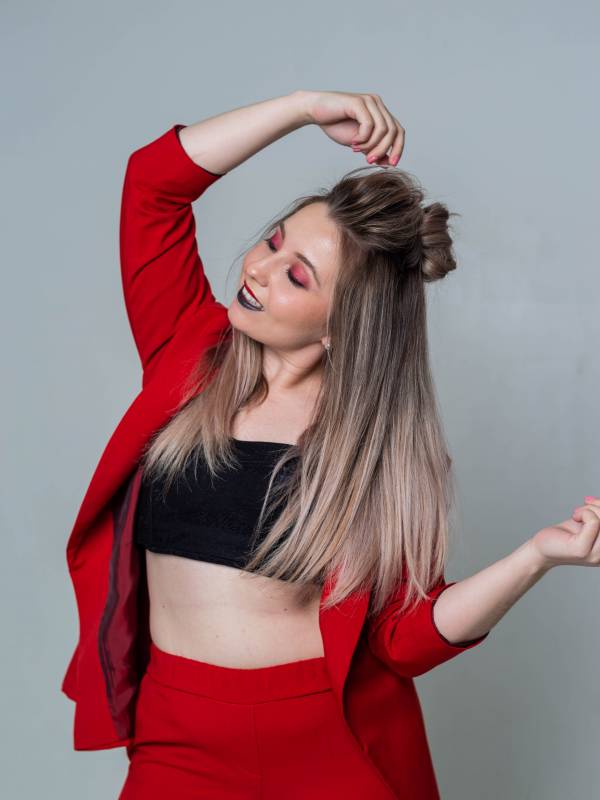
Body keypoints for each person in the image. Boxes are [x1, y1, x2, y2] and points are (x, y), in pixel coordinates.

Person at [61, 89, 600, 800]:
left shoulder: (380, 451)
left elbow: (402, 639)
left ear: (340, 326)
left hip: (329, 743)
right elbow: (153, 185)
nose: (258, 269)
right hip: (176, 737)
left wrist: (537, 557)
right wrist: (304, 108)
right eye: (273, 241)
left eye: (296, 275)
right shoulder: (186, 355)